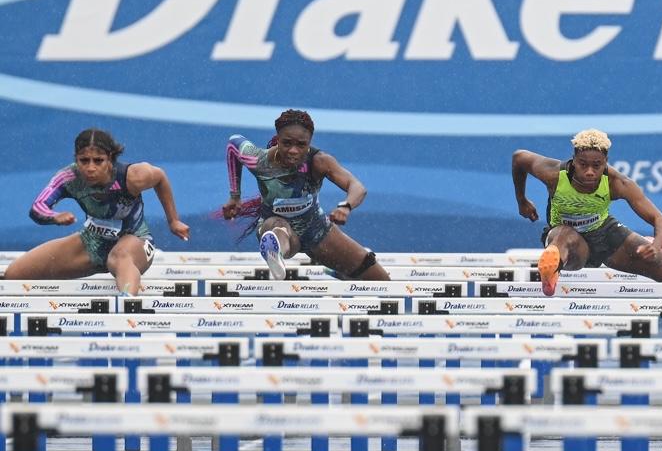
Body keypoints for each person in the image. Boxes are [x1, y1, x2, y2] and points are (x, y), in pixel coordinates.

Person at [5, 128, 189, 295]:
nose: (90, 168)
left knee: (119, 255)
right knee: (14, 274)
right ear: (76, 158)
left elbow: (160, 178)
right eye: (83, 161)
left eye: (98, 161)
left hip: (136, 242)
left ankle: (128, 309)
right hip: (92, 242)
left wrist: (173, 221)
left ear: (110, 158)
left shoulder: (133, 176)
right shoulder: (68, 177)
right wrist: (54, 216)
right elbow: (37, 208)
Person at [512, 129, 662, 296]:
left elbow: (660, 220)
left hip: (605, 234)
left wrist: (656, 247)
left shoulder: (617, 183)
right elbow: (519, 158)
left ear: (606, 162)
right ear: (573, 159)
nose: (589, 172)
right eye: (583, 164)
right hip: (569, 240)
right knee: (564, 235)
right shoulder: (554, 175)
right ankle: (552, 270)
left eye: (596, 166)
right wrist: (522, 201)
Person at [222, 109, 389, 281]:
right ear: (277, 140)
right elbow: (233, 144)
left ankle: (342, 272)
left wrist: (345, 206)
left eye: (301, 145)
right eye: (286, 143)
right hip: (275, 226)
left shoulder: (319, 161)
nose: (293, 151)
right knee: (278, 226)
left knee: (382, 282)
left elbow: (357, 186)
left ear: (309, 143)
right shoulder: (259, 161)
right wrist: (235, 195)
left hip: (316, 230)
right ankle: (276, 252)